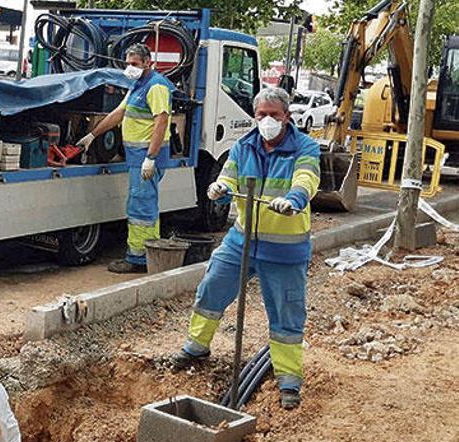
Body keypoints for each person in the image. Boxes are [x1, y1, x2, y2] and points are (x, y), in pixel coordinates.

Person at [168, 87, 321, 410]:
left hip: (284, 250)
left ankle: (289, 380)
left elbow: (306, 179)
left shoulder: (304, 147)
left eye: (274, 116)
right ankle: (196, 347)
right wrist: (220, 189)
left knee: (286, 314)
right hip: (242, 241)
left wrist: (294, 199)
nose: (267, 121)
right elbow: (230, 178)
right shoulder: (244, 145)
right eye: (262, 115)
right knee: (211, 288)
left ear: (287, 117)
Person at [75, 43, 175, 273]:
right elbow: (119, 113)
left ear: (148, 62)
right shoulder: (137, 85)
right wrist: (93, 134)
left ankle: (137, 259)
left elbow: (161, 121)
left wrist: (151, 157)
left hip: (146, 158)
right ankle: (149, 254)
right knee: (143, 207)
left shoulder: (156, 86)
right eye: (127, 64)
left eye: (134, 64)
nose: (130, 68)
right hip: (138, 157)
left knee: (140, 209)